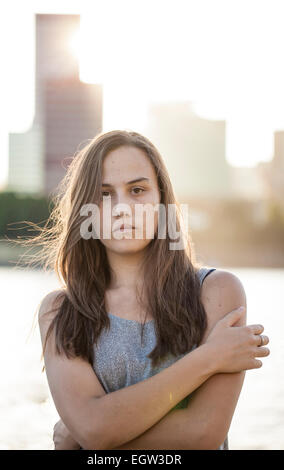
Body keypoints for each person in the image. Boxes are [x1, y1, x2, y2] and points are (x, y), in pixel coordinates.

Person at [37, 129, 270, 450]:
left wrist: (91, 435)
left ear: (162, 201)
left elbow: (203, 434)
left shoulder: (216, 292)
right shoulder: (61, 311)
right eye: (104, 194)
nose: (122, 207)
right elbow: (93, 429)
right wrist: (209, 358)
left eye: (137, 189)